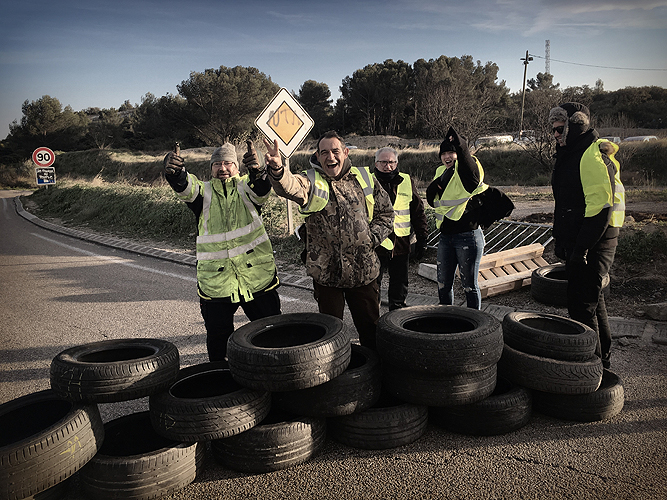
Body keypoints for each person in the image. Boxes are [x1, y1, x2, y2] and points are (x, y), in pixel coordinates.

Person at [263, 131, 394, 349]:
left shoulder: (365, 178)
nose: (330, 157)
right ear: (318, 155)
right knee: (331, 336)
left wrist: (372, 238)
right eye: (324, 152)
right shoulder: (311, 181)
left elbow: (386, 214)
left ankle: (374, 376)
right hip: (326, 274)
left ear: (345, 152)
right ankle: (337, 378)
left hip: (364, 272)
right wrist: (277, 169)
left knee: (371, 332)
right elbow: (290, 185)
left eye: (335, 151)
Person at [163, 141, 281, 362]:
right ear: (211, 169)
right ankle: (221, 387)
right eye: (217, 164)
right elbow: (184, 186)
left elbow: (262, 189)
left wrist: (258, 172)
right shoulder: (202, 193)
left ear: (237, 167)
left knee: (272, 337)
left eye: (228, 163)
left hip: (256, 279)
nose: (223, 168)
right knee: (218, 345)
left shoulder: (247, 188)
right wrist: (175, 172)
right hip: (216, 284)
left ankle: (277, 379)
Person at [549, 102, 625, 369]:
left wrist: (580, 249)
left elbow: (600, 209)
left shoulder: (590, 156)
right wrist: (563, 241)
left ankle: (590, 365)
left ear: (574, 127)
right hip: (583, 238)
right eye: (554, 130)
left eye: (560, 130)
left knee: (582, 305)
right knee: (593, 300)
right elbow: (568, 204)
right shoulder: (571, 153)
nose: (555, 135)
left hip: (597, 240)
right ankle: (602, 358)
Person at [426, 126, 488, 309]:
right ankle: (448, 321)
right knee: (443, 285)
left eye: (451, 153)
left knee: (469, 286)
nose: (447, 157)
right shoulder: (440, 172)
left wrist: (459, 146)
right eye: (443, 153)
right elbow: (437, 202)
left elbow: (467, 166)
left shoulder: (469, 170)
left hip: (467, 236)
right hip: (446, 237)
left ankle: (473, 327)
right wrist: (431, 190)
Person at [373, 146, 428, 310]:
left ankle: (395, 318)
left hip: (400, 243)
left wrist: (422, 239)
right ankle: (372, 320)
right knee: (372, 284)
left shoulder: (406, 180)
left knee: (399, 284)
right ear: (376, 163)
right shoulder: (367, 181)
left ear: (396, 163)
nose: (387, 166)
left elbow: (418, 212)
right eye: (383, 162)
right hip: (376, 243)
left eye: (391, 162)